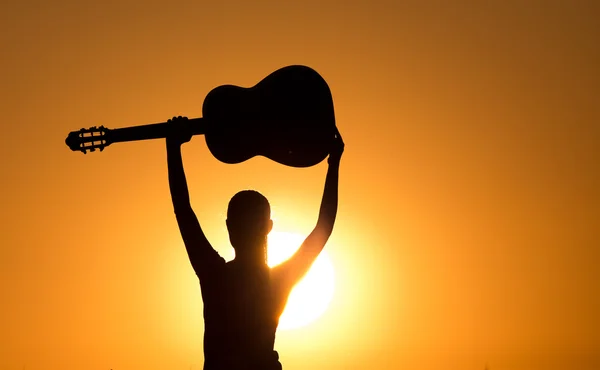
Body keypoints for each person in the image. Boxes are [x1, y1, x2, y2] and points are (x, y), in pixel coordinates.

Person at [166, 116, 344, 370]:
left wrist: (173, 147)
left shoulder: (215, 276)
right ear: (268, 228)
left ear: (229, 228)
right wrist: (333, 163)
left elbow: (183, 209)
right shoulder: (278, 282)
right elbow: (323, 227)